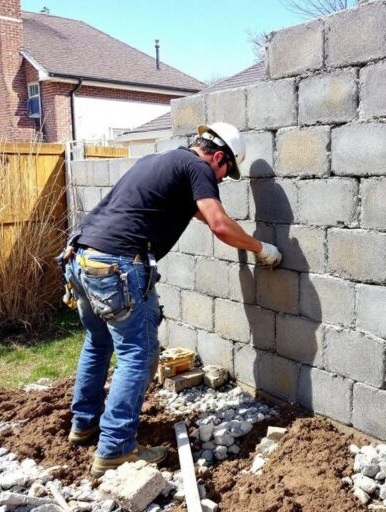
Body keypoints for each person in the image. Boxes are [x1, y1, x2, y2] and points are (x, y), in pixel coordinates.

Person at [58, 122, 282, 477]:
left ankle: (84, 424)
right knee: (138, 355)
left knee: (97, 342)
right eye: (226, 173)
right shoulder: (198, 167)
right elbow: (218, 224)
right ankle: (115, 449)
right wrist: (261, 248)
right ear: (218, 157)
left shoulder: (158, 162)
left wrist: (221, 221)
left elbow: (191, 211)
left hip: (81, 257)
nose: (222, 181)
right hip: (118, 265)